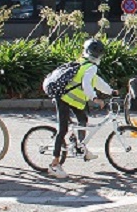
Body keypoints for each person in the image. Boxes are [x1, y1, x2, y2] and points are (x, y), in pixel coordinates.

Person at [47, 39, 117, 178]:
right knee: (63, 129)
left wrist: (110, 91)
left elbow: (96, 81)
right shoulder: (90, 67)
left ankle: (81, 148)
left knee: (83, 119)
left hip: (70, 99)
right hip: (64, 100)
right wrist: (95, 98)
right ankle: (54, 164)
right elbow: (87, 85)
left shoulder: (83, 63)